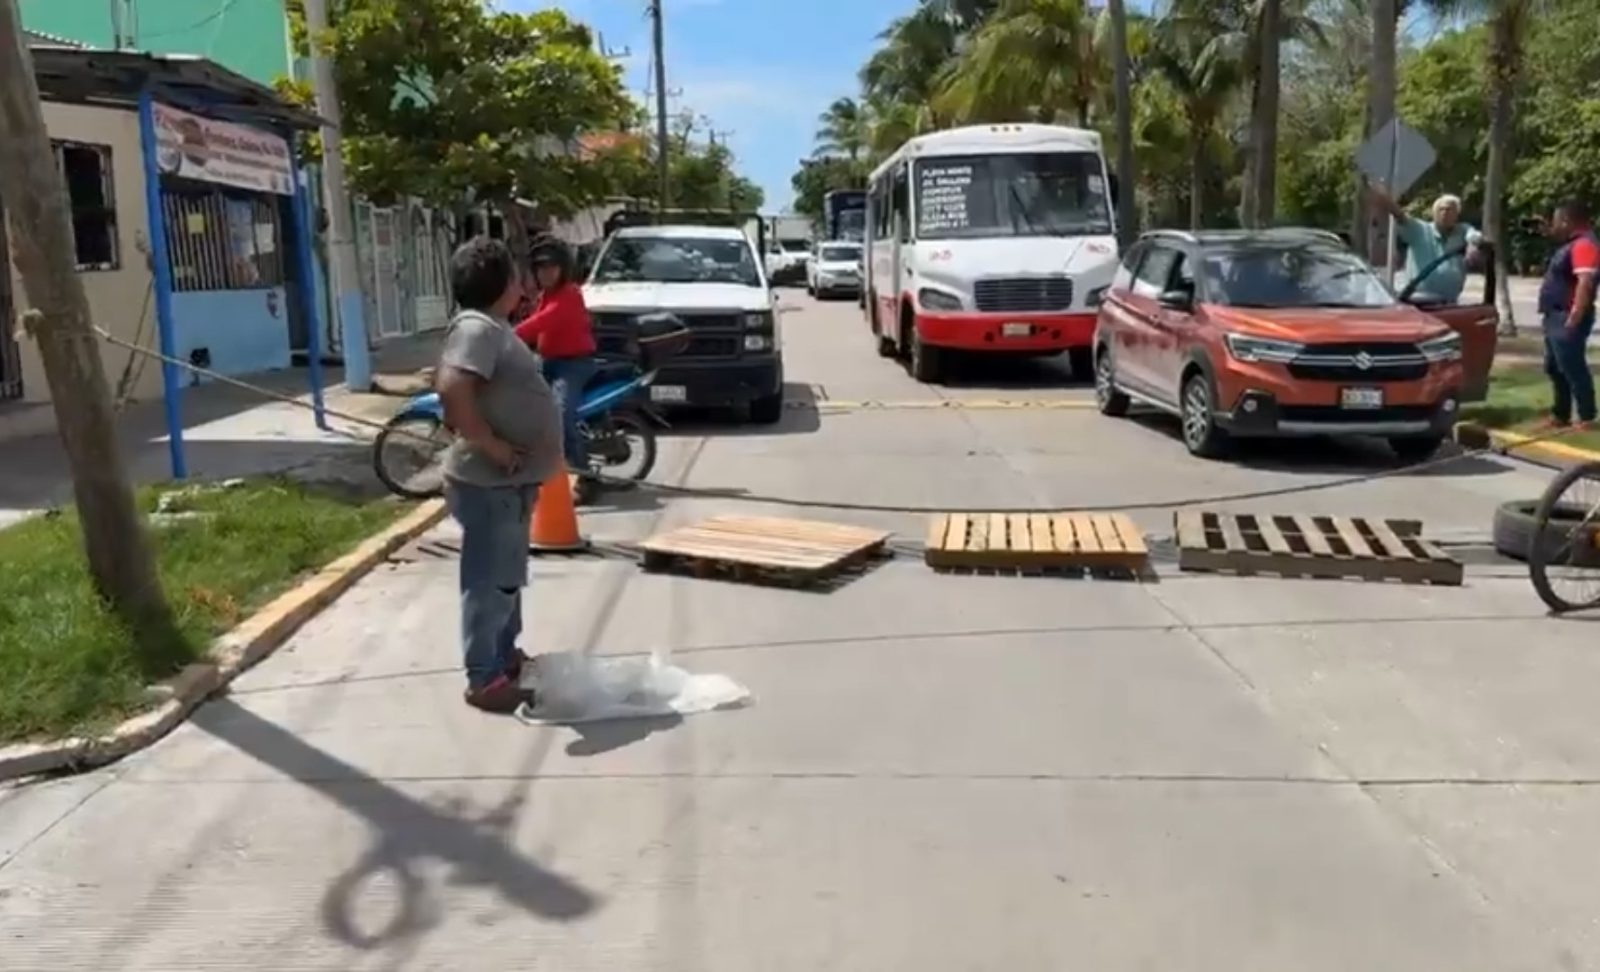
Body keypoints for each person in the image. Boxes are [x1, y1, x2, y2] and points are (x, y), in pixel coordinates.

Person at [436, 237, 563, 713]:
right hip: (488, 482)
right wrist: (490, 444)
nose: (523, 283)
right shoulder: (477, 328)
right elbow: (453, 387)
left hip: (508, 483)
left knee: (507, 575)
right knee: (489, 579)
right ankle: (484, 677)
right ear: (503, 282)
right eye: (517, 274)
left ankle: (504, 657)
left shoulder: (493, 327)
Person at [514, 237, 597, 479]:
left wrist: (507, 335)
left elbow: (543, 321)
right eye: (540, 268)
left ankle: (586, 477)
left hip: (572, 365)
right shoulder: (545, 295)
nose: (546, 274)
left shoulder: (569, 294)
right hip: (549, 361)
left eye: (551, 268)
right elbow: (533, 325)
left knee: (561, 417)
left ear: (563, 269)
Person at [1537, 199, 1599, 430]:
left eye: (1556, 220)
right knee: (1554, 366)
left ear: (1566, 220)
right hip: (1555, 316)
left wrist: (1576, 313)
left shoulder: (1584, 244)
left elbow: (1585, 281)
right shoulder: (1570, 243)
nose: (1554, 225)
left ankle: (1587, 416)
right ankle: (1560, 414)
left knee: (1572, 366)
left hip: (1567, 315)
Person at [1367, 186, 1482, 303]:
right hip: (1420, 300)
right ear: (1434, 213)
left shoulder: (1461, 231)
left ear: (1457, 214)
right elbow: (1402, 217)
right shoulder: (1420, 230)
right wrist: (1385, 200)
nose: (1445, 213)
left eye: (1449, 210)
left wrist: (1473, 245)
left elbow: (1474, 236)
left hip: (1449, 302)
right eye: (1441, 209)